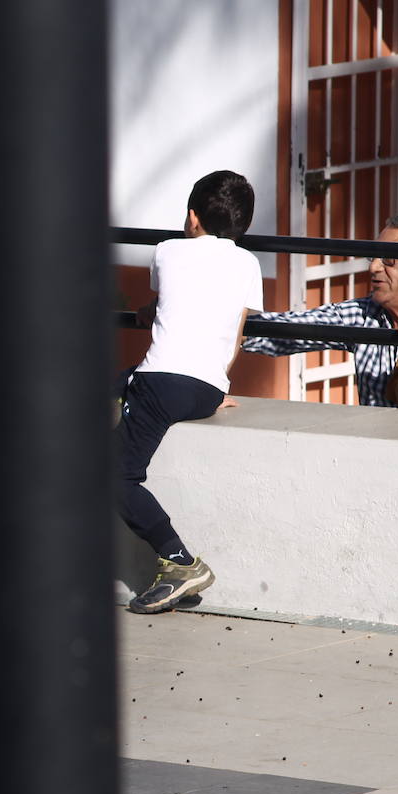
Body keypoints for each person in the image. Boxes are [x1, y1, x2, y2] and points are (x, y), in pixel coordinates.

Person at [119, 170, 264, 615]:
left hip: (160, 382)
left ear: (191, 216)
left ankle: (178, 560)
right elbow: (234, 333)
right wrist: (217, 386)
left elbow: (165, 307)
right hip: (207, 387)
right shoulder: (248, 262)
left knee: (114, 473)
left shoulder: (165, 251)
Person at [240, 213, 398, 407]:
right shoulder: (365, 314)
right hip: (376, 437)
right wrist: (236, 325)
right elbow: (291, 329)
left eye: (388, 258)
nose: (374, 267)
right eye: (373, 256)